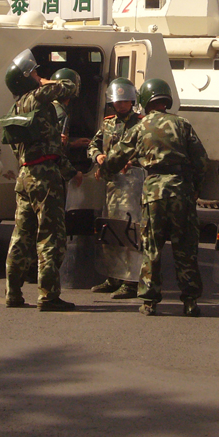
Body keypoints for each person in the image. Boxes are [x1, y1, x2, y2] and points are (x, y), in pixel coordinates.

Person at [102, 78, 208, 317]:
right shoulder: (183, 124)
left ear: (145, 101)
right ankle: (190, 301)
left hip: (153, 194)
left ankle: (149, 301)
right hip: (181, 190)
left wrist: (106, 171)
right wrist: (195, 189)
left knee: (152, 247)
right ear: (166, 99)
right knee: (186, 248)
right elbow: (201, 162)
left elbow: (118, 155)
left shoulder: (140, 127)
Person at [3, 49, 78, 312]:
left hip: (24, 175)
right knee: (50, 236)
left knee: (20, 236)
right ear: (27, 79)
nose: (38, 75)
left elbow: (15, 148)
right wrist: (47, 83)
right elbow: (69, 86)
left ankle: (12, 293)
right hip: (45, 176)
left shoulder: (16, 107)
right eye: (34, 73)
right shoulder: (38, 96)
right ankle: (48, 295)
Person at [88, 78, 143, 299]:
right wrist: (97, 155)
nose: (120, 105)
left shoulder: (140, 123)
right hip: (110, 186)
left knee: (129, 231)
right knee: (110, 230)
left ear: (132, 101)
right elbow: (93, 144)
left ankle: (130, 281)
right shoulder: (108, 122)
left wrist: (134, 161)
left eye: (124, 101)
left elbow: (146, 150)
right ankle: (113, 276)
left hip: (131, 185)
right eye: (117, 101)